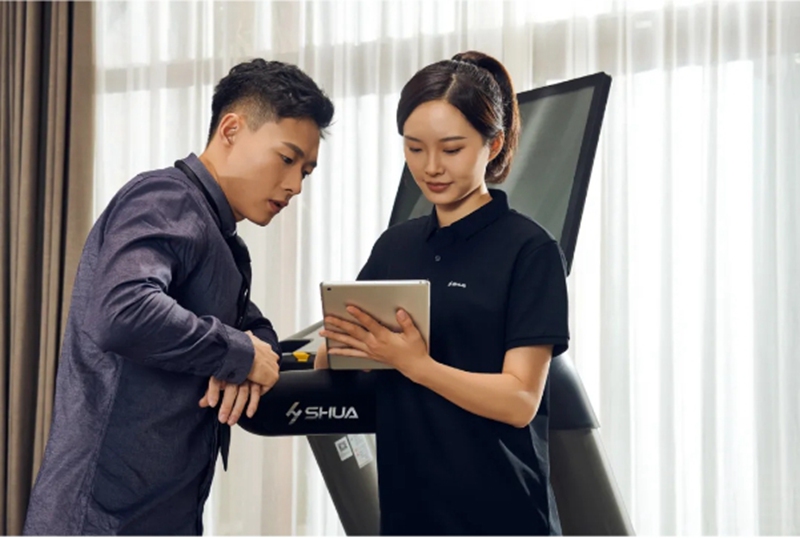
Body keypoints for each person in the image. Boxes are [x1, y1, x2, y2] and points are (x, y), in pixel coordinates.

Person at [24, 59, 334, 535]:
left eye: (306, 172)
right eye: (287, 159)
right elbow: (123, 310)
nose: (294, 186)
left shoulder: (221, 239)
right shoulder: (167, 199)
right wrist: (238, 354)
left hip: (163, 514)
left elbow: (251, 327)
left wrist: (247, 356)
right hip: (100, 520)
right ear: (231, 129)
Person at [315, 51, 569, 535]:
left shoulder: (530, 251)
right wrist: (337, 350)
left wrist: (417, 365)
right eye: (415, 148)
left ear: (493, 144)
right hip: (410, 515)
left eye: (451, 150)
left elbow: (520, 400)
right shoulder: (394, 247)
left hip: (502, 516)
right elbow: (342, 353)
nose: (431, 167)